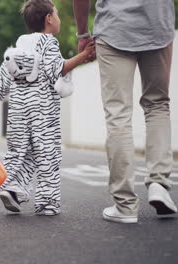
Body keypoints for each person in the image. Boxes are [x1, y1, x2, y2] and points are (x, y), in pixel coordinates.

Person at [0, 0, 94, 216]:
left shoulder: (17, 48)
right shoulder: (49, 43)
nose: (58, 19)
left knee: (18, 152)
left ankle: (12, 188)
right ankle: (47, 203)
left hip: (19, 111)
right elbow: (56, 70)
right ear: (49, 19)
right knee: (47, 154)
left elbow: (2, 84)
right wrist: (83, 56)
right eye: (57, 15)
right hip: (43, 111)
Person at [73, 0, 177, 223]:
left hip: (115, 28)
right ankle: (159, 183)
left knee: (118, 114)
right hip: (158, 25)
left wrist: (82, 33)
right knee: (157, 104)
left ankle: (126, 205)